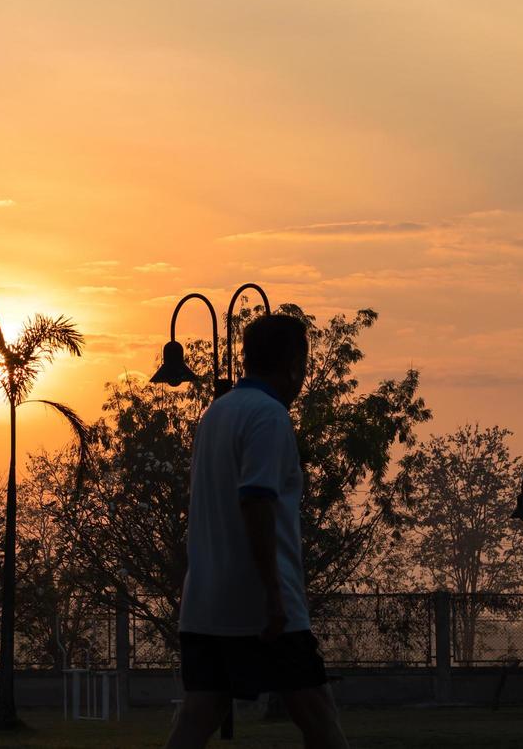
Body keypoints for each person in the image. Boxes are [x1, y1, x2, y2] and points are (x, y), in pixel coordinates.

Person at [165, 314, 349, 749]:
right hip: (261, 607)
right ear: (294, 364)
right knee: (316, 710)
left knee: (200, 712)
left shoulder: (216, 414)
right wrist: (273, 594)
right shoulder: (269, 417)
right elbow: (256, 501)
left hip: (206, 602)